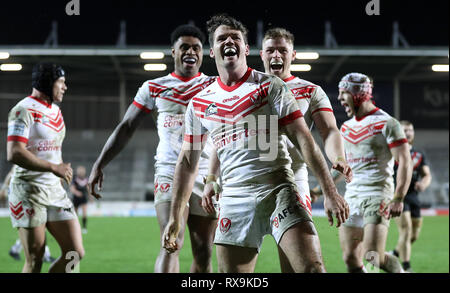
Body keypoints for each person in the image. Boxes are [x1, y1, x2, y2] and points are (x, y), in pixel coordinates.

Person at [162, 14, 349, 273]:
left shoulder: (269, 86)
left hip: (279, 189)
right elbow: (187, 162)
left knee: (312, 269)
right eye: (221, 38)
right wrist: (175, 214)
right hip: (234, 198)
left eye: (235, 38)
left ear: (246, 49)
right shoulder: (200, 103)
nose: (229, 41)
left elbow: (304, 138)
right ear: (212, 50)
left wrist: (330, 192)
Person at [87, 24, 217, 273]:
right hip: (169, 170)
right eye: (184, 47)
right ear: (173, 51)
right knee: (172, 243)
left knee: (204, 252)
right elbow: (126, 126)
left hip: (204, 174)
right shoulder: (154, 87)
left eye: (196, 47)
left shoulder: (214, 86)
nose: (190, 51)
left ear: (204, 53)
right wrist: (99, 164)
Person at [201, 27, 353, 222]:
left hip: (293, 178)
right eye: (271, 50)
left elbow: (330, 131)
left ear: (293, 55)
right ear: (262, 54)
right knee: (239, 250)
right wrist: (212, 178)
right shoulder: (243, 89)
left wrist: (338, 157)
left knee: (297, 249)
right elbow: (224, 137)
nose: (276, 55)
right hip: (245, 180)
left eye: (283, 50)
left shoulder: (310, 91)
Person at [311, 72, 412, 273]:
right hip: (352, 198)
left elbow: (406, 162)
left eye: (343, 93)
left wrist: (399, 197)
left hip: (378, 195)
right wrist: (318, 191)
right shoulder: (346, 127)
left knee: (372, 257)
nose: (339, 99)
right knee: (350, 258)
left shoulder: (388, 123)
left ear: (358, 93)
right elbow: (344, 168)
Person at [6, 62, 84, 273]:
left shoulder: (56, 112)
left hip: (55, 191)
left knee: (75, 253)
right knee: (35, 259)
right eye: (61, 82)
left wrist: (58, 170)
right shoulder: (23, 110)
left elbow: (51, 149)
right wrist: (52, 167)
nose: (65, 87)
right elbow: (14, 152)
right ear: (47, 83)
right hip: (28, 191)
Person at [389, 120, 432, 272]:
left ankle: (393, 254)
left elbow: (426, 175)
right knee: (406, 232)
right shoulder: (392, 152)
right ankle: (407, 267)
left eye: (410, 130)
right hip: (398, 196)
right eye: (404, 130)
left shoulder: (419, 154)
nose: (408, 133)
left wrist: (424, 184)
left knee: (413, 236)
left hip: (414, 197)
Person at [2, 166, 56, 263]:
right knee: (38, 227)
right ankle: (45, 255)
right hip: (27, 197)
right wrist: (4, 189)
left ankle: (15, 249)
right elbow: (11, 173)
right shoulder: (24, 161)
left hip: (36, 195)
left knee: (36, 228)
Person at [70, 165, 89, 234]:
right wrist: (77, 193)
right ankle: (76, 227)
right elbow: (72, 188)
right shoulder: (75, 179)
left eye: (82, 171)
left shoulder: (86, 179)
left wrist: (91, 196)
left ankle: (84, 227)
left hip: (84, 198)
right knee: (75, 214)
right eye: (80, 171)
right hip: (76, 198)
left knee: (84, 213)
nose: (81, 172)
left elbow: (88, 188)